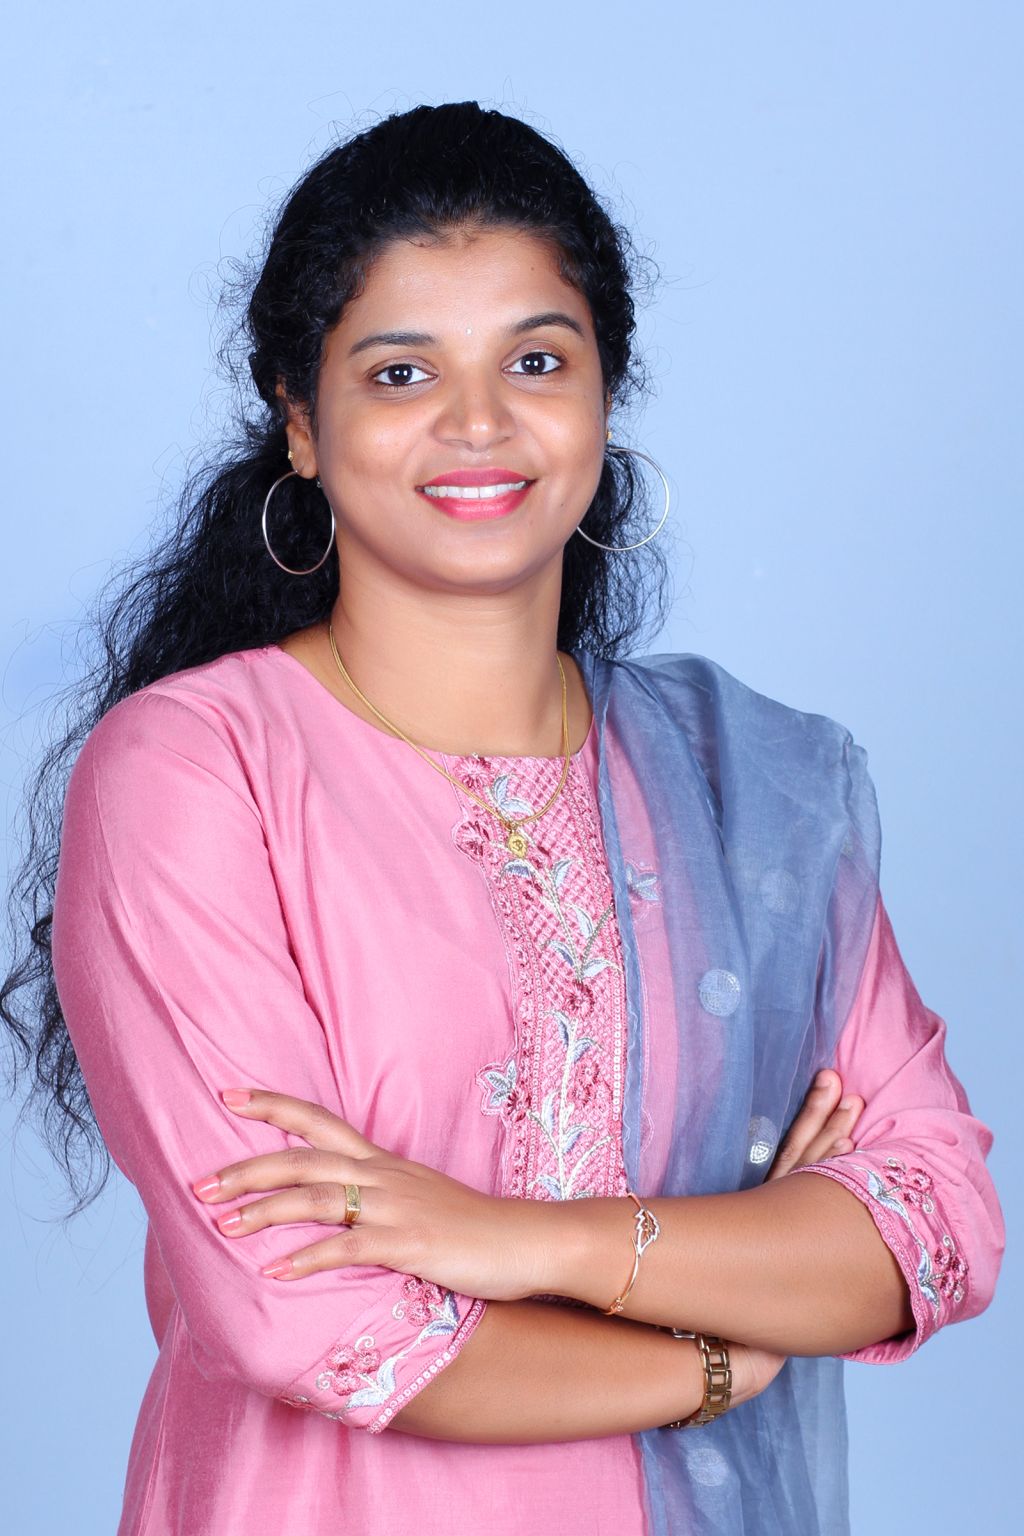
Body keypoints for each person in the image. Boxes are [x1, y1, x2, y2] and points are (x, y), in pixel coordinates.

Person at [1, 101, 1003, 1536]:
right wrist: (723, 1350)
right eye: (401, 371)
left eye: (537, 360)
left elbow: (937, 1228)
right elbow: (312, 1316)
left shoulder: (750, 783)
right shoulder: (194, 769)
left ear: (605, 394)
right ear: (302, 421)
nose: (479, 423)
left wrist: (518, 1242)